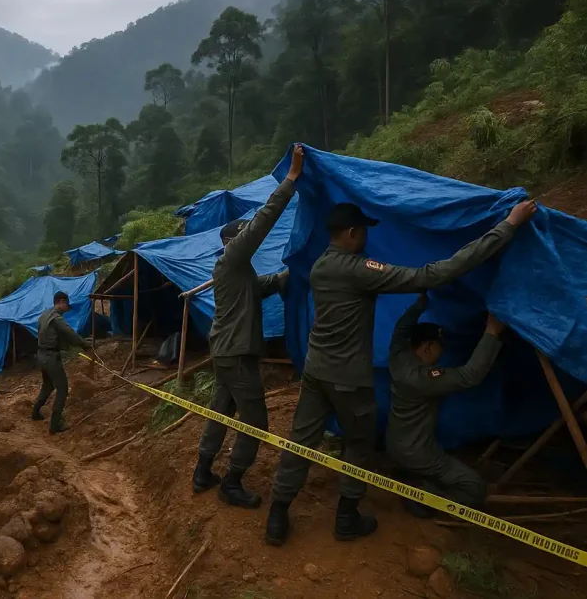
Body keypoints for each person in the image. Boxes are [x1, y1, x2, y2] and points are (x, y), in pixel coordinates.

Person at [265, 197, 537, 547]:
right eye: (364, 232)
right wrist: (508, 225)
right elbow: (432, 274)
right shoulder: (358, 269)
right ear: (351, 232)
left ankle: (277, 514)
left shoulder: (320, 266)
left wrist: (414, 308)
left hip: (316, 372)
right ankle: (346, 518)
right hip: (349, 380)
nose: (366, 239)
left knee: (301, 441)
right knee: (359, 445)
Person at [186, 144, 304, 506]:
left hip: (227, 352)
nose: (245, 239)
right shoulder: (233, 258)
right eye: (241, 236)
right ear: (232, 241)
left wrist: (291, 273)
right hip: (237, 354)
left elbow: (260, 287)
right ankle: (232, 483)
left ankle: (203, 471)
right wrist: (290, 179)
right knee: (255, 421)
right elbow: (262, 223)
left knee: (221, 410)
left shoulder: (237, 273)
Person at [387, 294, 506, 516]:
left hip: (395, 446)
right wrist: (492, 331)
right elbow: (469, 376)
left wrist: (420, 303)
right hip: (418, 453)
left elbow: (400, 330)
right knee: (474, 487)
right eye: (439, 349)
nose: (441, 357)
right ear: (428, 347)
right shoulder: (423, 379)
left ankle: (412, 476)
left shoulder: (398, 357)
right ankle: (423, 497)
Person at [33, 291, 91, 434]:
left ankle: (35, 412)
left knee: (48, 385)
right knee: (62, 388)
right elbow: (69, 333)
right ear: (61, 302)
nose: (67, 308)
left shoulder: (44, 315)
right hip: (51, 356)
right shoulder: (56, 317)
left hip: (41, 354)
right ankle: (55, 424)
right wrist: (85, 345)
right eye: (67, 304)